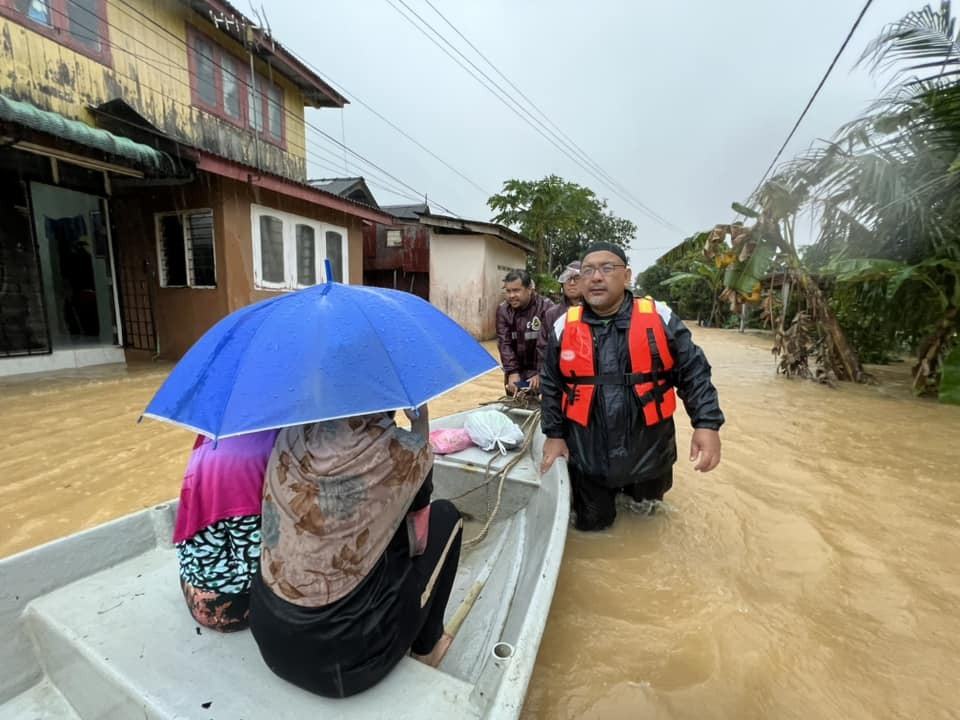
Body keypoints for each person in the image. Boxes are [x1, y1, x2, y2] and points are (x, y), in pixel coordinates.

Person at [249, 406, 463, 698]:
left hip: (267, 632)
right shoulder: (404, 452)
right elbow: (418, 543)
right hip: (346, 664)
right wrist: (421, 423)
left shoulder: (289, 434)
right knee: (448, 516)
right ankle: (429, 646)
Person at [539, 242, 724, 531]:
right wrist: (554, 435)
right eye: (588, 270)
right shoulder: (563, 326)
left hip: (650, 452)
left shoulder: (659, 317)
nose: (596, 277)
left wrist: (707, 424)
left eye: (607, 268)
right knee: (593, 528)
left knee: (648, 524)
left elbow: (694, 371)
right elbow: (551, 383)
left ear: (626, 276)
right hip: (588, 455)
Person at [173, 429, 279, 631]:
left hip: (192, 578)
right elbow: (255, 572)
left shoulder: (213, 435)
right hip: (226, 606)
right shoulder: (256, 462)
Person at [496, 269, 554, 396]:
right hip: (516, 373)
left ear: (529, 289)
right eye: (508, 291)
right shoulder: (503, 310)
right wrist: (512, 372)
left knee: (541, 411)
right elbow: (504, 343)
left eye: (516, 290)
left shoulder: (546, 308)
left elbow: (549, 345)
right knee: (516, 409)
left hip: (542, 373)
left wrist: (541, 373)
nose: (511, 295)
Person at [538, 261, 583, 366]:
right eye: (567, 278)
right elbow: (543, 348)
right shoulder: (552, 314)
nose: (571, 283)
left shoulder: (596, 311)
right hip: (557, 376)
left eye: (577, 278)